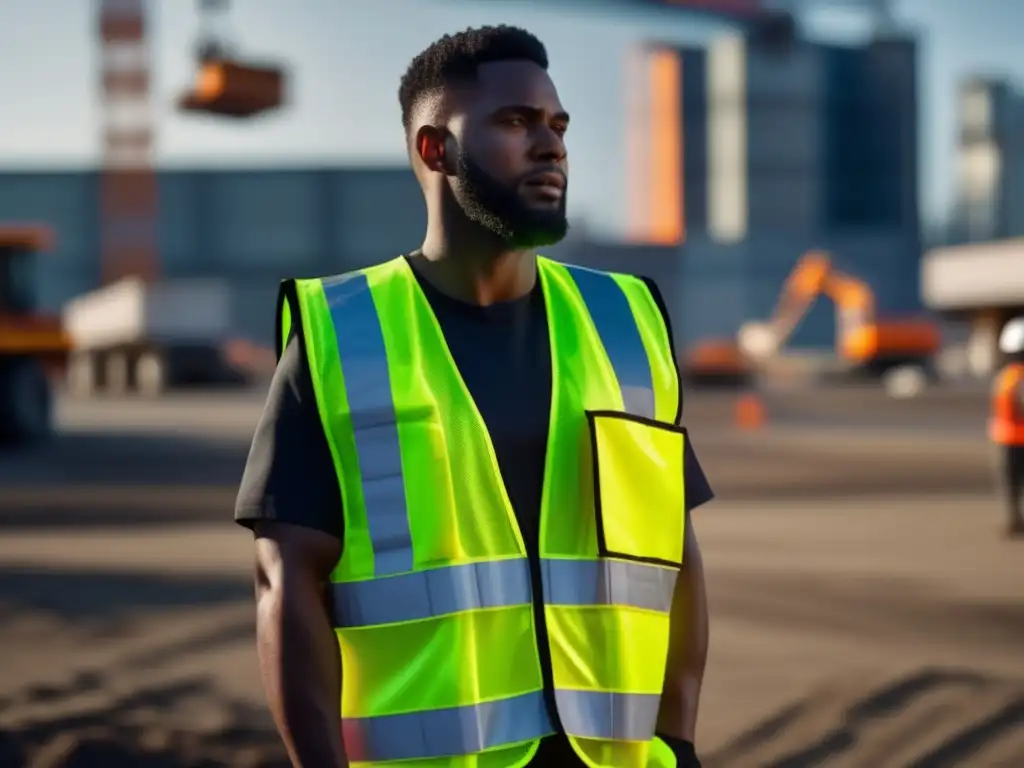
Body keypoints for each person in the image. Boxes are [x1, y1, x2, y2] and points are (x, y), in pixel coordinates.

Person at [235, 25, 714, 768]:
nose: (551, 145)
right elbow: (285, 584)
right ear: (435, 150)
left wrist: (677, 742)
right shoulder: (342, 337)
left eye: (557, 125)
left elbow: (675, 558)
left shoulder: (626, 324)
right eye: (516, 122)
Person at [990, 316, 1024, 538]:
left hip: (1007, 439)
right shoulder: (1015, 378)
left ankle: (1013, 520)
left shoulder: (1006, 377)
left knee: (1011, 484)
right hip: (1014, 438)